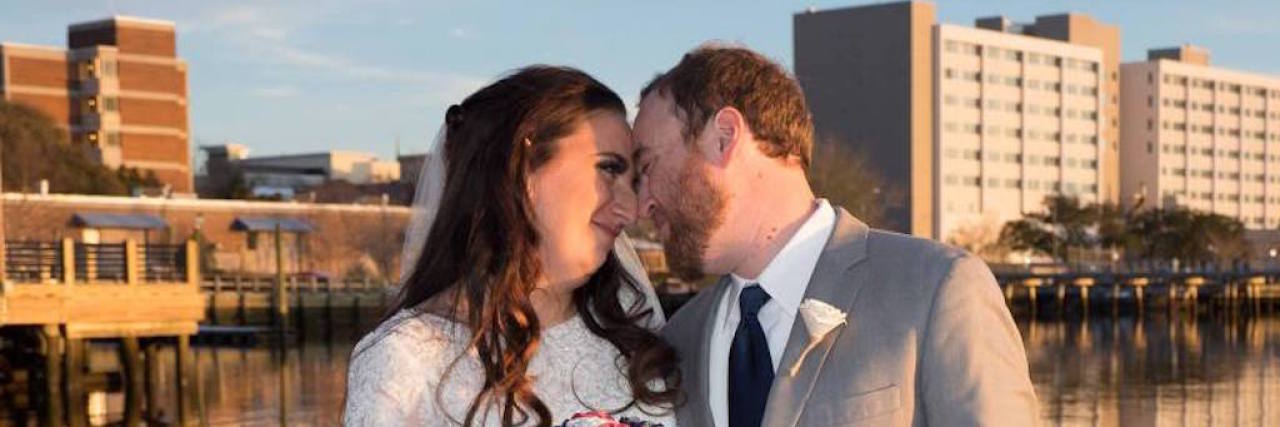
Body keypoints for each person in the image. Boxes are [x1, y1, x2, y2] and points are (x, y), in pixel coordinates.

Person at [633, 45, 1038, 426]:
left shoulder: (937, 289)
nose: (641, 203)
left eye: (647, 166)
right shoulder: (680, 338)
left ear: (724, 136)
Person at [343, 66, 680, 426]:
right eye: (609, 169)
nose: (629, 209)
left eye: (633, 180)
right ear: (521, 168)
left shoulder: (633, 330)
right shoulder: (405, 361)